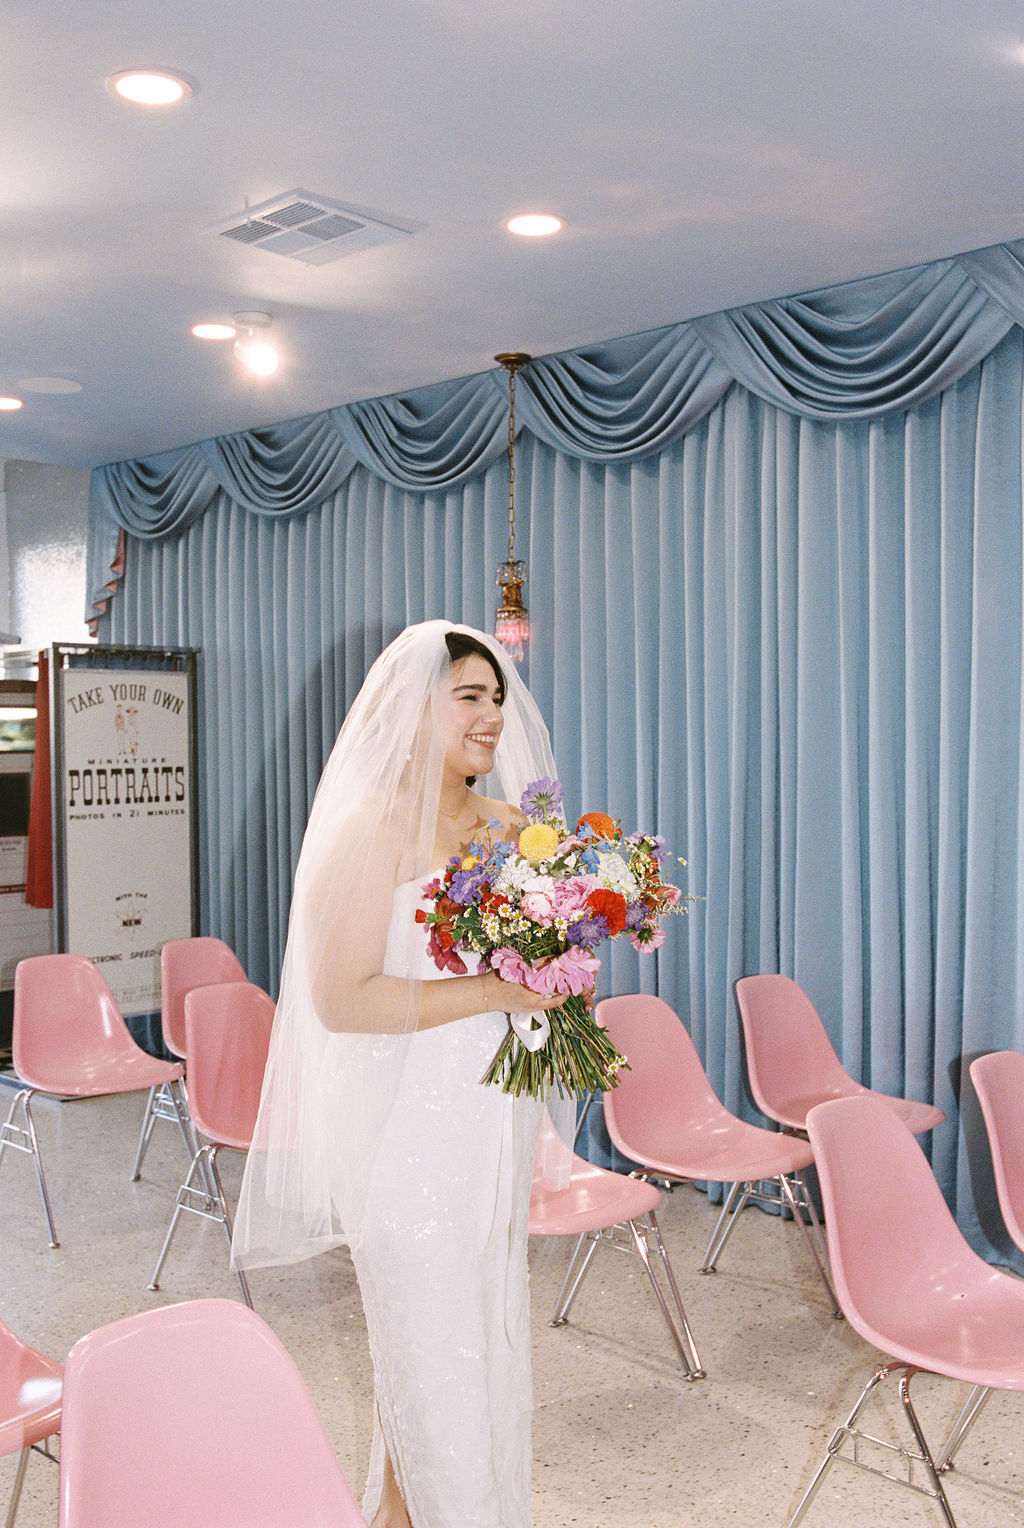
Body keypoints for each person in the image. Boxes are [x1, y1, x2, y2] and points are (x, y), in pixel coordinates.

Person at [233, 620, 579, 1528]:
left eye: (497, 697)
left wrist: (559, 967)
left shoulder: (512, 827)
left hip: (488, 1122)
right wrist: (492, 992)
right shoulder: (367, 828)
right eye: (470, 695)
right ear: (410, 709)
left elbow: (543, 965)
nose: (493, 715)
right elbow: (343, 998)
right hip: (400, 1134)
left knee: (486, 1344)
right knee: (431, 1348)